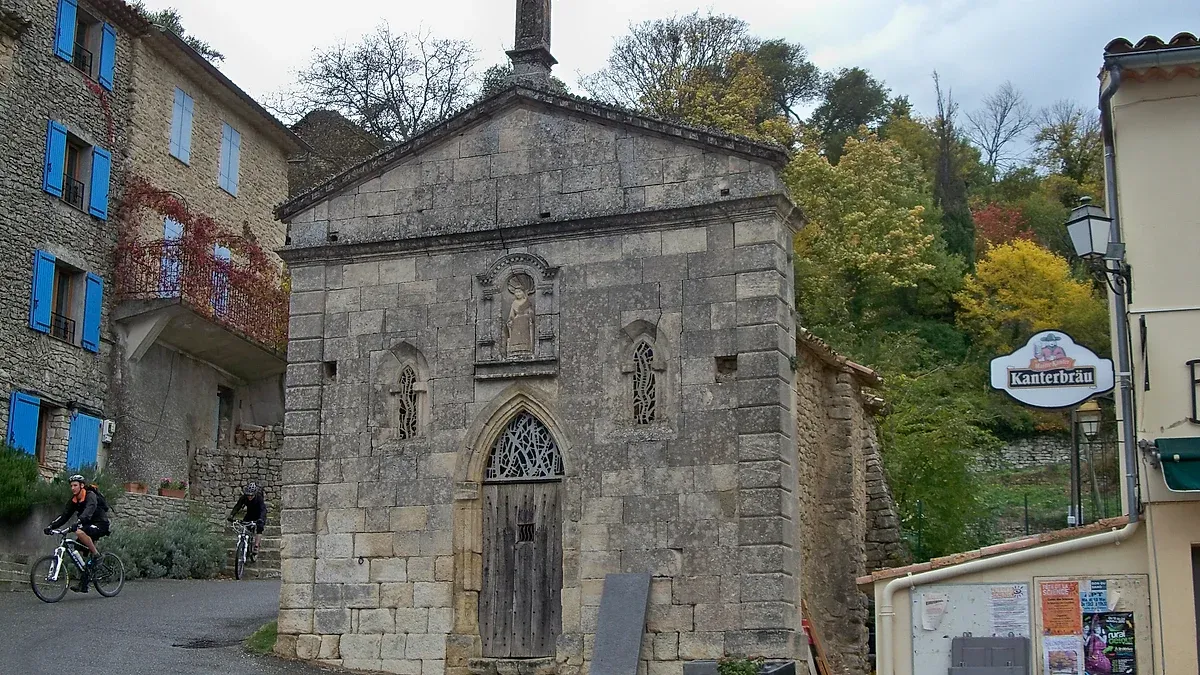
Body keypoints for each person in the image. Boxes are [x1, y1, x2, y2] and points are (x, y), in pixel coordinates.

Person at [44, 474, 110, 593]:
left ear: (82, 486)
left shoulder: (90, 496)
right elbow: (65, 516)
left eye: (75, 485)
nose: (73, 488)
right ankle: (84, 584)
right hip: (87, 525)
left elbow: (89, 509)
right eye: (71, 486)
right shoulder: (74, 500)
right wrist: (51, 526)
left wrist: (79, 521)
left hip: (100, 524)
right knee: (77, 551)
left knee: (79, 531)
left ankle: (97, 556)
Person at [227, 482, 266, 561]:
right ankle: (244, 544)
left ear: (254, 494)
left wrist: (261, 519)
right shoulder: (244, 498)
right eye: (248, 495)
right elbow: (238, 506)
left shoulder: (259, 498)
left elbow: (263, 510)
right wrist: (231, 515)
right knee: (245, 526)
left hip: (259, 515)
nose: (249, 497)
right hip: (249, 514)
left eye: (251, 495)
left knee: (260, 527)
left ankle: (256, 545)